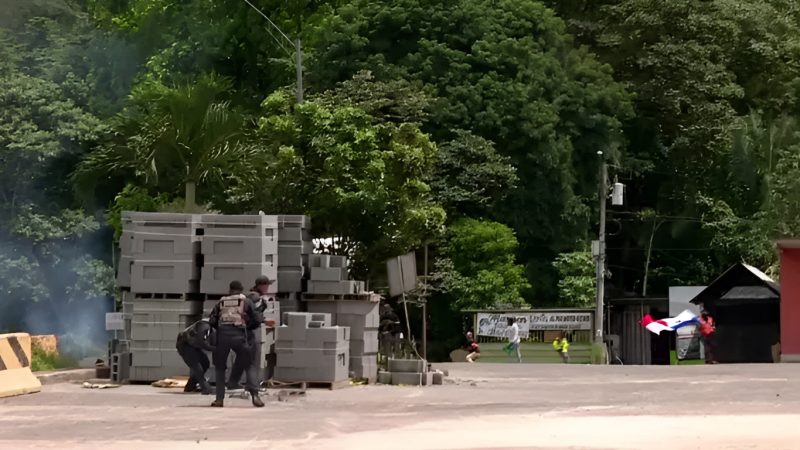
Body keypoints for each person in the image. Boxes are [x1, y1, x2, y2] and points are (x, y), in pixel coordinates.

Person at [208, 280, 265, 408]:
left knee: (220, 367)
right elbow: (257, 320)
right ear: (241, 290)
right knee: (249, 365)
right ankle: (255, 396)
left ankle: (219, 399)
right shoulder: (246, 301)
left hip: (222, 336)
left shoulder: (221, 302)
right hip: (240, 335)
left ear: (230, 289)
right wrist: (248, 327)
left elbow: (212, 321)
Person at [226, 275, 275, 390]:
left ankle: (233, 382)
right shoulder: (254, 296)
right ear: (261, 285)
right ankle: (252, 385)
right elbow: (248, 312)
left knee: (242, 357)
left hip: (243, 330)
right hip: (245, 331)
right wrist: (264, 321)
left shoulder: (256, 296)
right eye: (267, 285)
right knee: (252, 357)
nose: (268, 288)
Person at [176, 318, 215, 394]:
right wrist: (215, 349)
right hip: (185, 344)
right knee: (197, 365)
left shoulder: (213, 328)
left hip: (193, 345)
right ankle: (205, 387)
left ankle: (190, 386)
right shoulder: (204, 325)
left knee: (205, 363)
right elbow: (201, 342)